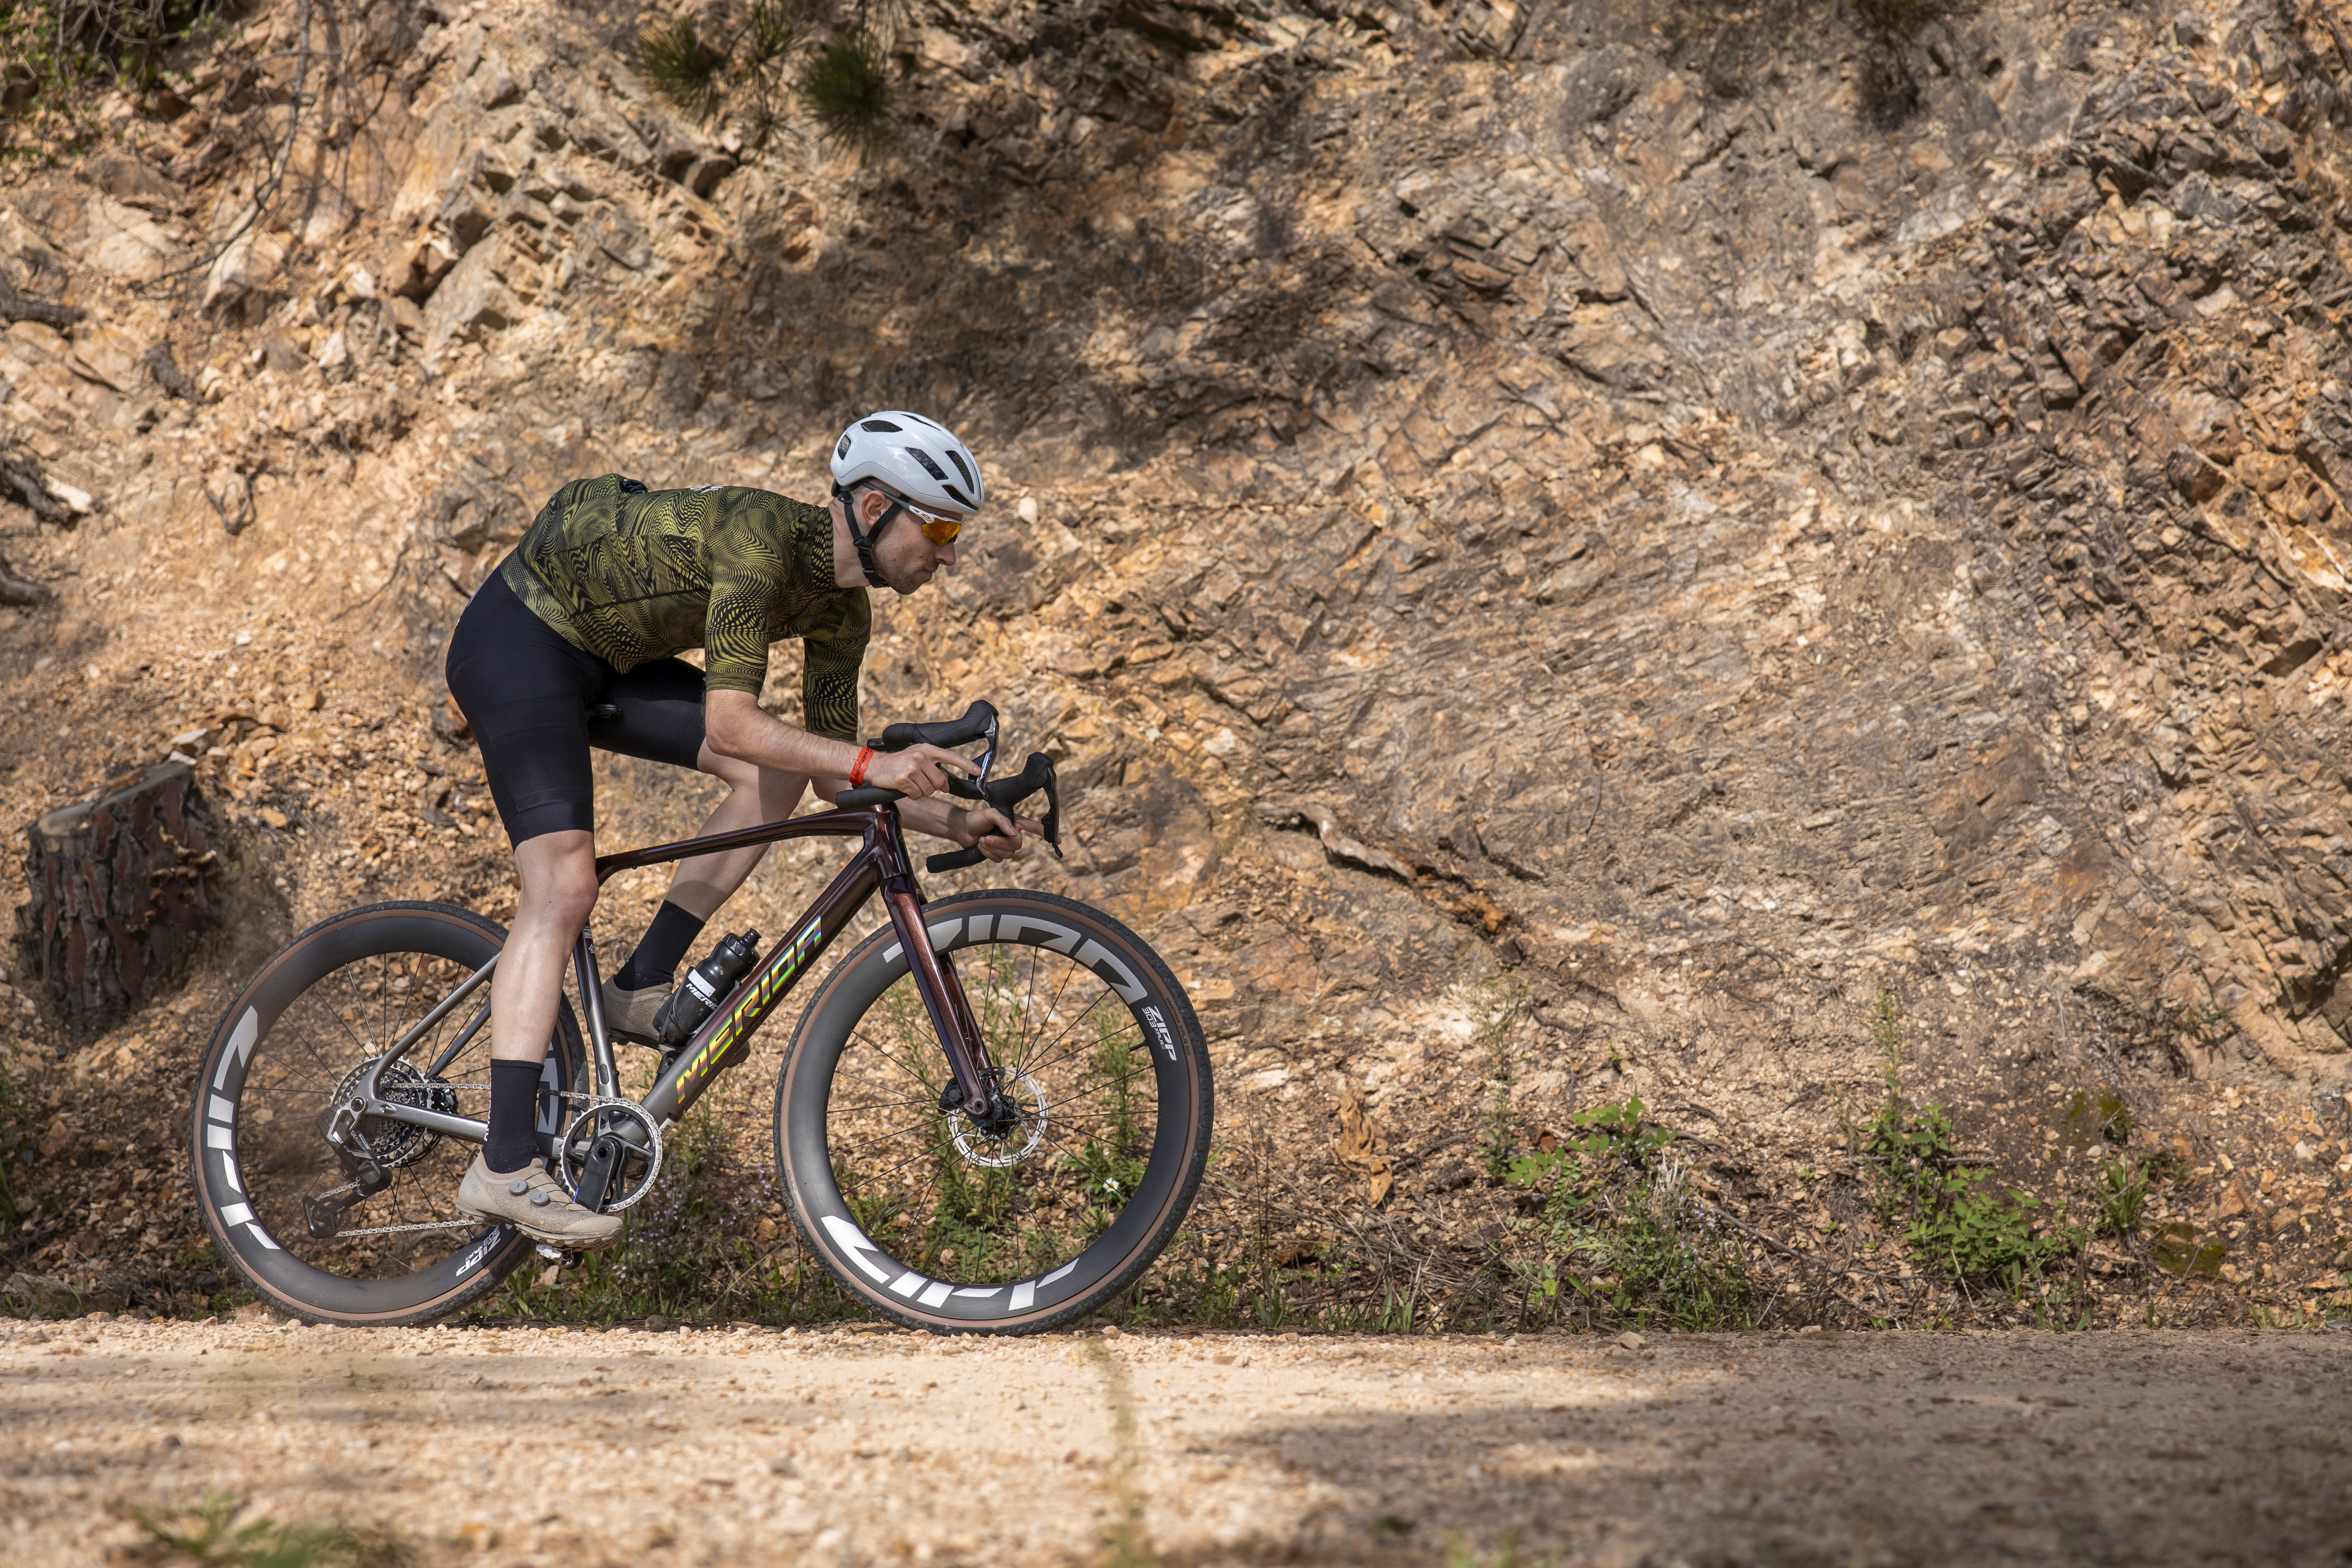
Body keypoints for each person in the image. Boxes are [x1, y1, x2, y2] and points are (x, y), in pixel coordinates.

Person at [441, 412, 1037, 1248]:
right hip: (522, 634)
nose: (950, 554)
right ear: (874, 510)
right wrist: (877, 762)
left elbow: (833, 778)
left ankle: (639, 982)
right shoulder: (761, 540)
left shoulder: (843, 615)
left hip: (607, 654)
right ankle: (504, 1163)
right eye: (940, 528)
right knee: (564, 884)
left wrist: (960, 820)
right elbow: (732, 723)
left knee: (775, 771)